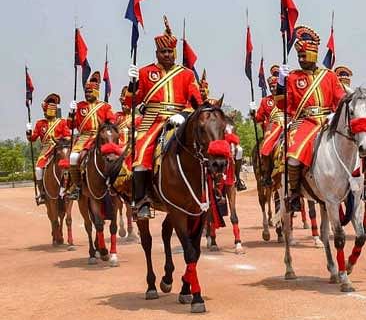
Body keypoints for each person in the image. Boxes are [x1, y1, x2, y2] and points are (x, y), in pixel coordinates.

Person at [125, 16, 202, 220]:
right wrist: (132, 85)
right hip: (152, 121)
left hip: (180, 120)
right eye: (163, 52)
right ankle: (142, 201)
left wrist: (184, 114)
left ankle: (211, 194)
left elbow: (196, 100)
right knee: (140, 156)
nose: (167, 55)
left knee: (202, 150)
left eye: (170, 52)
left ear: (174, 53)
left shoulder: (186, 74)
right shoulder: (145, 72)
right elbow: (131, 102)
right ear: (156, 53)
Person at [283, 25, 346, 211]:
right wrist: (280, 85)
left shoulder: (329, 76)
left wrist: (335, 114)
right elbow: (283, 104)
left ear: (314, 55)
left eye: (304, 56)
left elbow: (340, 98)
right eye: (299, 57)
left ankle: (359, 184)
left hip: (328, 121)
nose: (301, 60)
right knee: (293, 154)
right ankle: (294, 192)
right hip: (306, 122)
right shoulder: (293, 77)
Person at [65, 71, 116, 199]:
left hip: (102, 137)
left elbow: (112, 122)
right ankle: (77, 186)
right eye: (86, 92)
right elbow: (71, 126)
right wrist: (71, 113)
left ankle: (117, 183)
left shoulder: (105, 106)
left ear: (97, 92)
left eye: (90, 92)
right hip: (84, 137)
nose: (87, 94)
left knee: (117, 156)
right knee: (73, 157)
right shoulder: (80, 106)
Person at [199, 70, 246, 190]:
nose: (202, 93)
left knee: (239, 150)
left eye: (204, 90)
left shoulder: (213, 103)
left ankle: (237, 178)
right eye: (200, 90)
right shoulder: (195, 104)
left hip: (216, 136)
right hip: (202, 136)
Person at [26, 93, 71, 205]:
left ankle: (70, 188)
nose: (47, 112)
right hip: (46, 150)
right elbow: (33, 138)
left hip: (59, 147)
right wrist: (28, 131)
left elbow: (67, 136)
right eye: (46, 110)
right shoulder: (40, 124)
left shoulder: (62, 122)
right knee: (38, 169)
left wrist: (60, 140)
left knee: (69, 165)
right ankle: (42, 192)